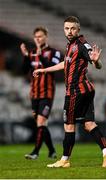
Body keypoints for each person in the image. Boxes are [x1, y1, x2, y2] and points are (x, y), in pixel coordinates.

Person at [33, 16, 106, 168]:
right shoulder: (71, 45)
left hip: (75, 91)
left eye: (73, 28)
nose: (69, 31)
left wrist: (96, 61)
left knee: (69, 126)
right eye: (67, 28)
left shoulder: (82, 44)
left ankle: (64, 160)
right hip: (87, 90)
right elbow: (65, 64)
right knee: (89, 124)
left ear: (78, 29)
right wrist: (44, 70)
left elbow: (97, 63)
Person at [20, 26, 62, 160]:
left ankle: (35, 152)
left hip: (47, 93)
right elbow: (23, 71)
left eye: (40, 36)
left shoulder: (54, 52)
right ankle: (52, 151)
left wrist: (39, 55)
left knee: (41, 121)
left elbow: (51, 67)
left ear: (46, 37)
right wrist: (26, 57)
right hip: (34, 93)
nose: (38, 39)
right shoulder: (31, 53)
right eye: (36, 37)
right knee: (41, 125)